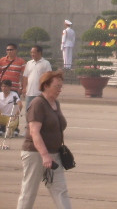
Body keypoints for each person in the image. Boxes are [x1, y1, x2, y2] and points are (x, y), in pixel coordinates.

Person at [17, 70, 72, 209]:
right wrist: (45, 155)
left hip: (54, 154)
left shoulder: (55, 103)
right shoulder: (38, 104)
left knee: (61, 190)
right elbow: (34, 132)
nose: (60, 89)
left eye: (61, 86)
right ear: (46, 85)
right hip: (35, 154)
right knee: (29, 191)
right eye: (57, 86)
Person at [23, 46, 53, 112]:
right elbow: (25, 76)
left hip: (40, 93)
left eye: (34, 52)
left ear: (40, 53)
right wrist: (24, 88)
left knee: (39, 112)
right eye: (31, 52)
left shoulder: (46, 63)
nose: (32, 54)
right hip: (29, 93)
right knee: (28, 112)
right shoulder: (29, 63)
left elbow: (49, 77)